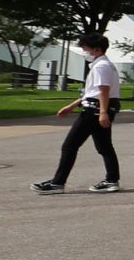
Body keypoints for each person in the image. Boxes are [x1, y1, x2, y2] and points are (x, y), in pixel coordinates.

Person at [33, 34, 122, 194]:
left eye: (85, 48)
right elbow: (91, 92)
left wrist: (102, 112)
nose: (83, 51)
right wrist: (72, 105)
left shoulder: (101, 66)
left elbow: (103, 90)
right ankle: (111, 180)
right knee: (104, 147)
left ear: (96, 49)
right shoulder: (103, 64)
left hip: (94, 110)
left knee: (70, 146)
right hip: (98, 107)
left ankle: (58, 183)